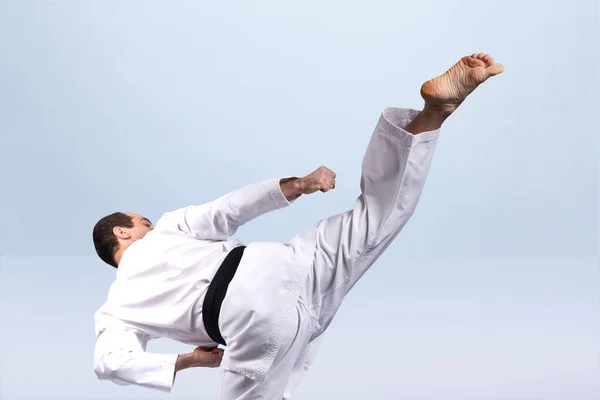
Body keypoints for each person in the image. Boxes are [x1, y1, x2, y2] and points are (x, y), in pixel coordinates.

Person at [92, 53, 504, 399]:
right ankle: (435, 112)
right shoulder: (166, 229)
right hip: (284, 264)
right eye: (139, 221)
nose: (148, 222)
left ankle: (436, 110)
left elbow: (110, 363)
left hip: (246, 316)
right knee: (377, 216)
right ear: (122, 233)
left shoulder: (116, 312)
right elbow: (227, 211)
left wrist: (189, 360)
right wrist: (297, 185)